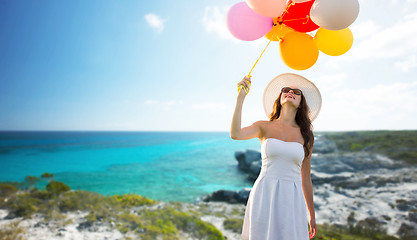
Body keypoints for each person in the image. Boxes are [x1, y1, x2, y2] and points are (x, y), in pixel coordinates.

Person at [230, 73, 322, 240]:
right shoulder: (263, 126)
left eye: (296, 92)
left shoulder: (306, 135)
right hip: (265, 192)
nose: (290, 92)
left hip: (292, 198)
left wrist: (312, 214)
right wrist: (241, 98)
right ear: (279, 97)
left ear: (302, 103)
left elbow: (306, 179)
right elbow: (235, 134)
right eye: (286, 89)